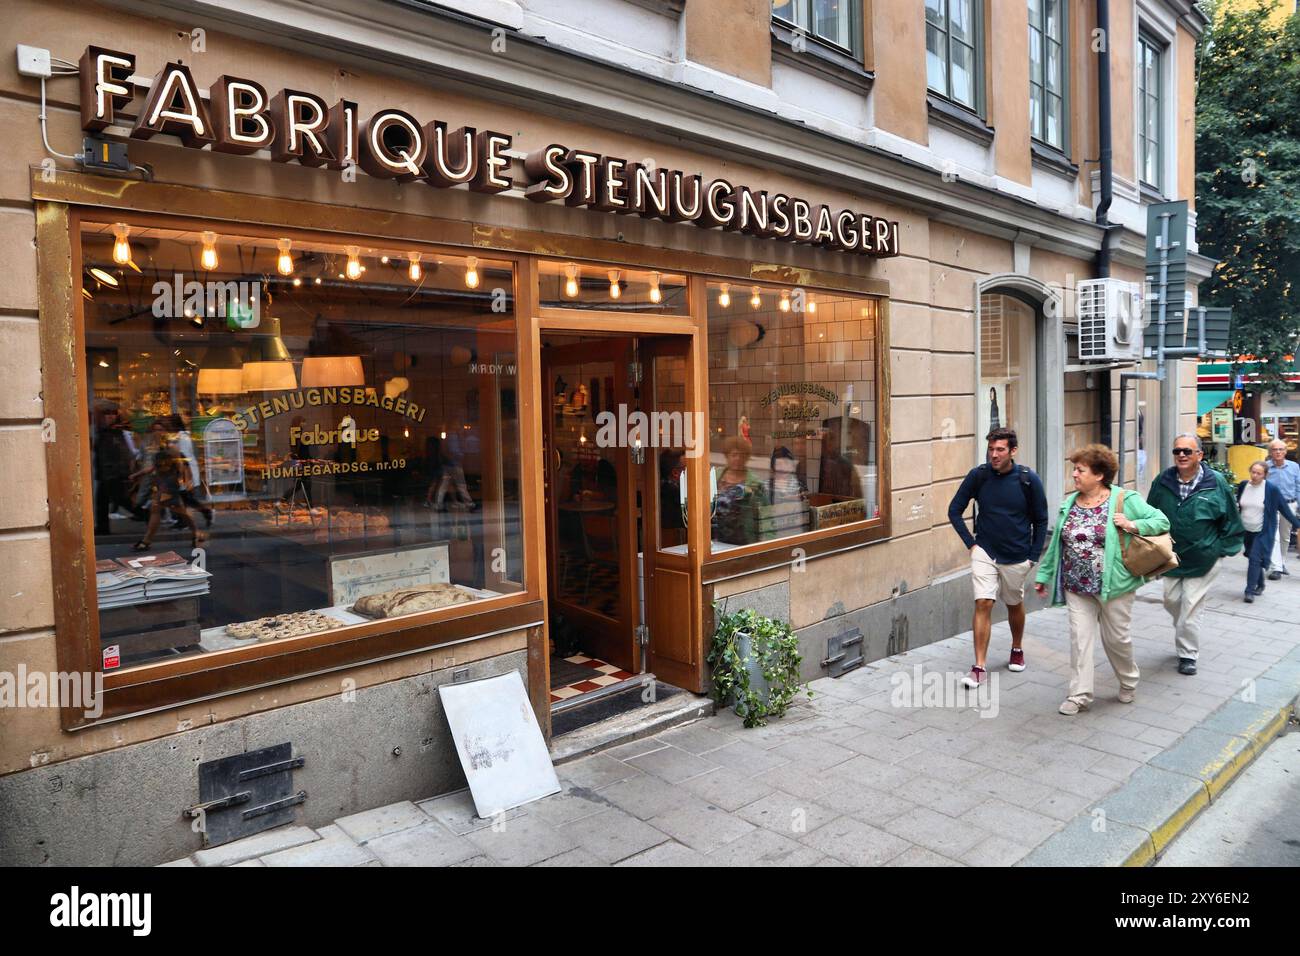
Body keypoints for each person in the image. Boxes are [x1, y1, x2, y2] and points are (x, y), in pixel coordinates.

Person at [1033, 445, 1170, 714]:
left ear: (1098, 475)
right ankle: (1079, 694)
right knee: (1079, 639)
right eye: (1074, 469)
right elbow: (1058, 544)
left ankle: (1128, 680)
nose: (1074, 474)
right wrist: (1044, 575)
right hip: (1076, 586)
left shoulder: (1123, 499)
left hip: (1114, 585)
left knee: (1116, 639)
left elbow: (1161, 520)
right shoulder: (1069, 502)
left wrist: (1133, 525)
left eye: (1080, 470)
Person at [947, 427, 1049, 688]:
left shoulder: (1028, 480)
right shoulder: (979, 476)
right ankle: (979, 666)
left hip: (1016, 555)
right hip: (985, 551)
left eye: (1000, 449)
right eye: (991, 449)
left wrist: (1033, 556)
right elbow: (954, 510)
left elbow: (1040, 519)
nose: (994, 454)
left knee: (1014, 604)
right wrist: (972, 544)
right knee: (983, 603)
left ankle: (1017, 647)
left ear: (1012, 451)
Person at [1145, 434, 1244, 675]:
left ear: (1199, 455)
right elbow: (1149, 513)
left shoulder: (1216, 482)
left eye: (1187, 451)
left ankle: (1187, 654)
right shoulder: (1163, 480)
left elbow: (1230, 519)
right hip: (1170, 559)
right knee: (1171, 601)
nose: (1181, 455)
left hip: (1204, 559)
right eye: (1177, 451)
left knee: (1189, 610)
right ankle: (1185, 629)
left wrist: (1221, 550)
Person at [1237, 460, 1300, 603]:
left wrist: (1298, 525)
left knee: (1254, 559)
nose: (1254, 475)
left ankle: (1249, 591)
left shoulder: (1271, 489)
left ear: (1265, 475)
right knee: (1251, 557)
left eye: (1259, 473)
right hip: (1247, 530)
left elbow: (1284, 509)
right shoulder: (1243, 486)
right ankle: (1260, 583)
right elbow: (1240, 507)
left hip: (1262, 531)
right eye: (1253, 472)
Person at [711, 436, 769, 545]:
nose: (738, 459)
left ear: (746, 458)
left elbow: (766, 513)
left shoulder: (755, 482)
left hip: (744, 539)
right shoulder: (715, 476)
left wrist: (767, 541)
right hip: (716, 537)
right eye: (734, 455)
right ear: (727, 456)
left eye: (742, 455)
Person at [1264, 439, 1300, 579]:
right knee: (1274, 536)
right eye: (1274, 449)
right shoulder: (1266, 467)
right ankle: (1276, 567)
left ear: (1285, 451)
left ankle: (1282, 562)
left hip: (1289, 504)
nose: (1278, 452)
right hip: (1272, 505)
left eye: (1280, 449)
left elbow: (1298, 486)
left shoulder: (1294, 466)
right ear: (1270, 452)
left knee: (1285, 537)